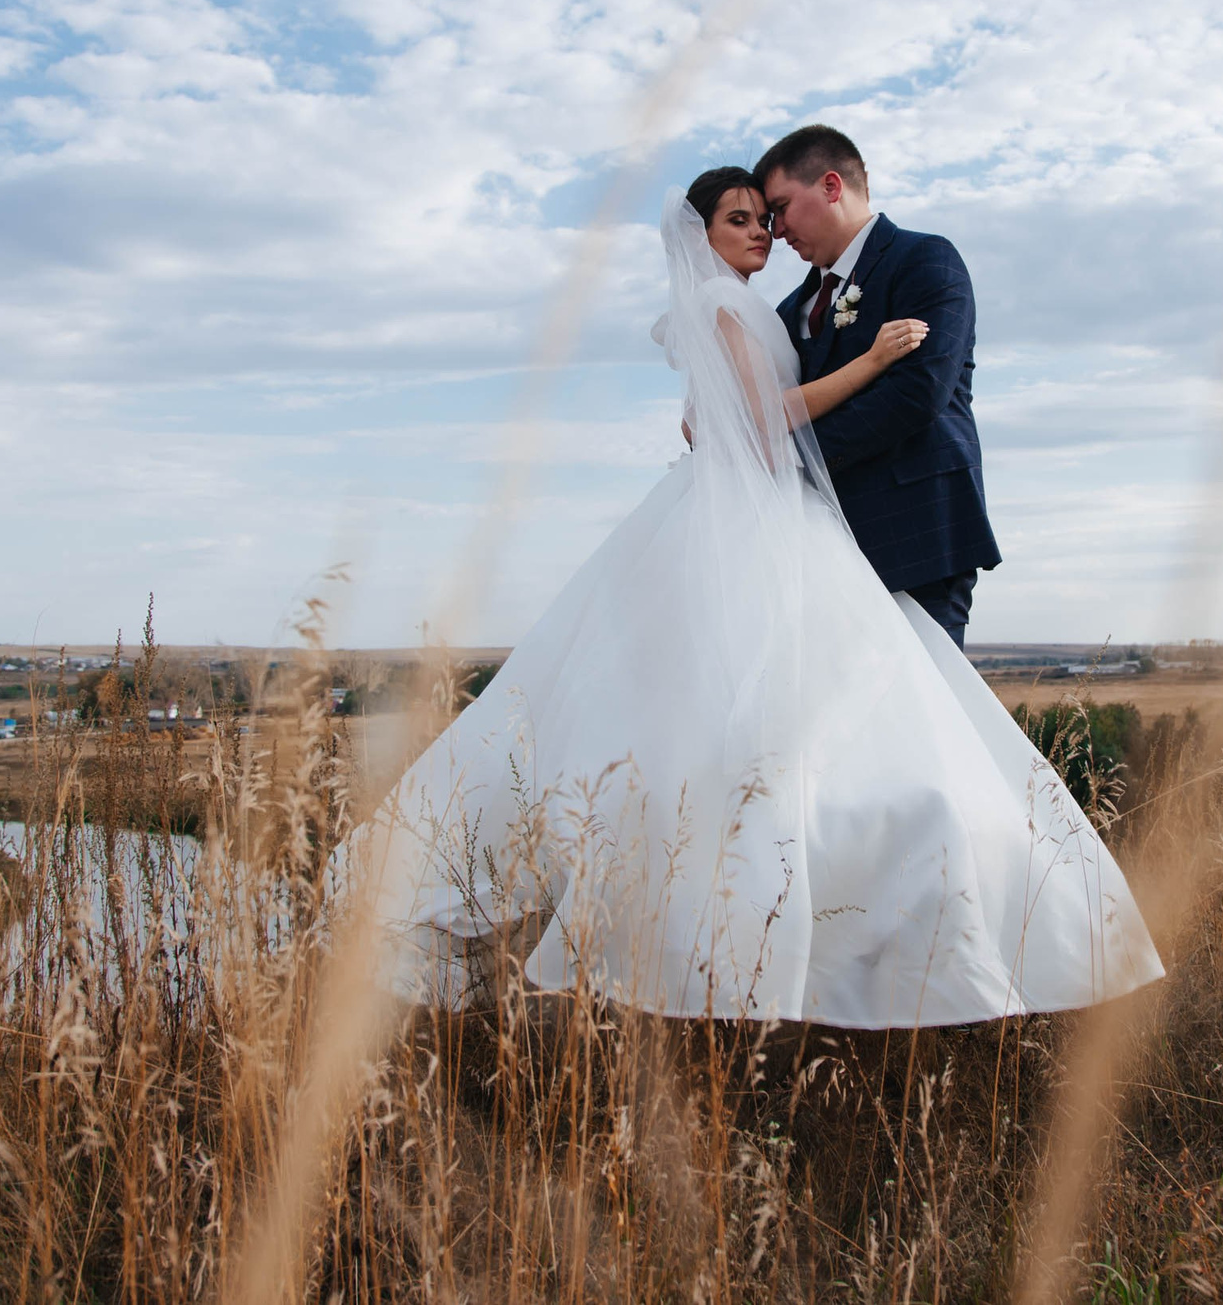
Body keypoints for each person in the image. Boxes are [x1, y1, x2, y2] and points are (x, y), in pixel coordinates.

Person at [353, 168, 1163, 1027]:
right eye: (740, 220)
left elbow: (714, 420)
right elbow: (765, 415)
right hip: (755, 517)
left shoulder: (749, 310)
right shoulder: (727, 309)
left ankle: (804, 923)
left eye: (764, 219)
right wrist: (874, 359)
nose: (761, 233)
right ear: (700, 236)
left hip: (761, 509)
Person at [758, 126, 997, 647]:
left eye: (780, 207)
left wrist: (795, 455)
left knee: (929, 717)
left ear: (829, 185)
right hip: (818, 554)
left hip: (917, 541)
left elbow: (919, 393)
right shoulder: (786, 312)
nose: (775, 231)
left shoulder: (925, 261)